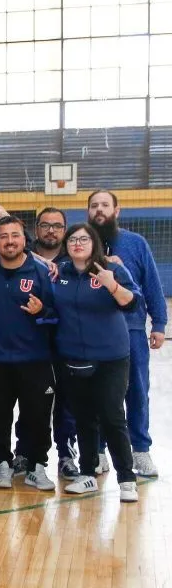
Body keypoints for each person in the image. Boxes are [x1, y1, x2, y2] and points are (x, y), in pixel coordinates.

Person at [52, 224, 141, 502]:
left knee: (112, 416)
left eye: (84, 239)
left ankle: (127, 479)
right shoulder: (60, 273)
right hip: (73, 358)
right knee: (84, 418)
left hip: (111, 358)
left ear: (94, 244)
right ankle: (87, 474)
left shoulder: (110, 269)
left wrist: (111, 285)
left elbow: (132, 303)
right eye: (73, 239)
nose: (78, 243)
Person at [87, 189, 166, 478]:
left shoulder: (135, 243)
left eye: (105, 205)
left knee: (136, 391)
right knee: (96, 394)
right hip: (93, 333)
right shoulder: (82, 244)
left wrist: (158, 323)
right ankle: (96, 450)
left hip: (131, 330)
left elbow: (152, 285)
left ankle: (140, 450)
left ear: (116, 211)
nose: (99, 210)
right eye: (94, 205)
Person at [0, 216, 58, 491]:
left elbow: (57, 314)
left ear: (25, 240)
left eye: (15, 235)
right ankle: (3, 464)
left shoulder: (41, 272)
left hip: (34, 360)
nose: (10, 241)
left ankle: (37, 467)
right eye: (3, 236)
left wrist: (42, 312)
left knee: (37, 416)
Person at [14, 207, 78, 480]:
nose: (51, 230)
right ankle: (23, 453)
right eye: (45, 225)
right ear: (36, 229)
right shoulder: (21, 258)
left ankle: (66, 454)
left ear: (65, 231)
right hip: (30, 344)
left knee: (66, 403)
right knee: (30, 404)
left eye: (57, 225)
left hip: (66, 343)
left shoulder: (75, 261)